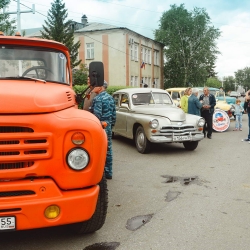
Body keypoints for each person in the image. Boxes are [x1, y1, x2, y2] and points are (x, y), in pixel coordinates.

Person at [92, 81, 116, 179]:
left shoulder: (98, 99)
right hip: (108, 126)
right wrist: (111, 125)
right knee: (108, 149)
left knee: (99, 150)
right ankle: (109, 172)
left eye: (95, 85)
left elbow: (97, 116)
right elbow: (114, 114)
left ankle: (100, 174)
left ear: (101, 87)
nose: (93, 87)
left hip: (100, 127)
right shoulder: (110, 98)